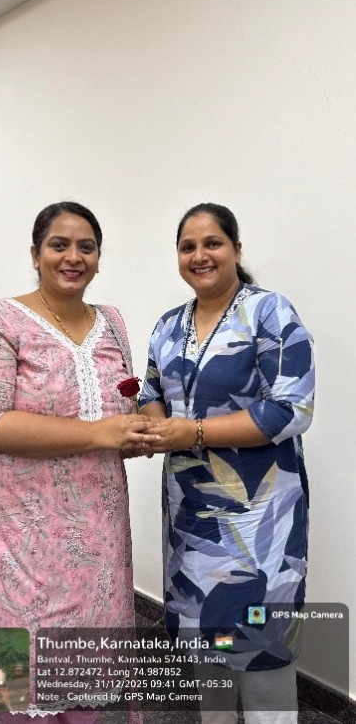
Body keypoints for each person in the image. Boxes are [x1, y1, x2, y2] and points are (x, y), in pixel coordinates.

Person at [0, 201, 158, 723]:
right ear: (35, 253)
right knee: (14, 675)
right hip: (16, 530)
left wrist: (134, 433)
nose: (73, 257)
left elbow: (118, 406)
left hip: (97, 531)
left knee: (85, 669)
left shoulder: (111, 322)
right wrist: (95, 434)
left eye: (86, 247)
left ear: (99, 258)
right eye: (59, 245)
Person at [139, 203, 315, 724]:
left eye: (212, 243)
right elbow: (151, 392)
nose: (200, 255)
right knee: (206, 646)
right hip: (191, 518)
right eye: (187, 247)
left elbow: (290, 409)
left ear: (236, 249)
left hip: (260, 520)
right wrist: (153, 426)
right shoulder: (168, 326)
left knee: (261, 651)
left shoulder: (269, 312)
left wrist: (191, 431)